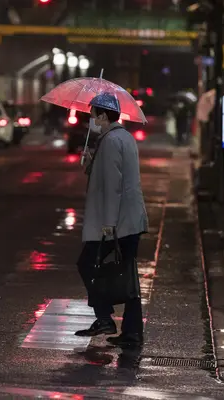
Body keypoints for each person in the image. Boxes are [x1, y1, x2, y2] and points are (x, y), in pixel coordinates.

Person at [74, 93, 149, 347]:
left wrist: (108, 223)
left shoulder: (109, 141)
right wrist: (89, 164)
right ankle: (132, 334)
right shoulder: (123, 137)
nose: (91, 120)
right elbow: (112, 175)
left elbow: (112, 186)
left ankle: (104, 317)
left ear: (104, 116)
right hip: (129, 220)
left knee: (86, 264)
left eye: (93, 115)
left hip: (117, 223)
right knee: (127, 275)